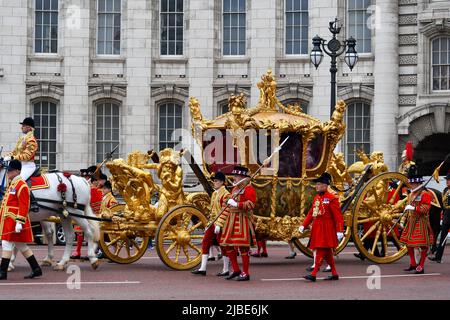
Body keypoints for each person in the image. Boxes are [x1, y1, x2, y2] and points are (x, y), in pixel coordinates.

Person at [0, 160, 42, 280]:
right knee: (21, 246)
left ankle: (2, 272)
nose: (8, 172)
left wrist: (19, 222)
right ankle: (36, 269)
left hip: (14, 221)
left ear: (18, 171)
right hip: (8, 220)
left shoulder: (21, 185)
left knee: (6, 243)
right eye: (8, 170)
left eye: (11, 170)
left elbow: (24, 205)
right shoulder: (13, 184)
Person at [299, 172, 344, 282]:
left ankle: (314, 274)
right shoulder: (316, 198)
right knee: (327, 252)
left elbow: (338, 216)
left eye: (318, 184)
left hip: (327, 228)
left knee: (320, 249)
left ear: (325, 185)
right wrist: (303, 225)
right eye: (317, 184)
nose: (316, 186)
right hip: (317, 227)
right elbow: (311, 213)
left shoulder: (332, 198)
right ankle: (334, 273)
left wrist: (339, 230)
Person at [215, 166, 257, 281]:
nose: (234, 178)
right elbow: (228, 206)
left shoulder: (248, 189)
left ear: (242, 177)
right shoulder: (235, 189)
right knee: (227, 245)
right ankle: (236, 269)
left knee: (243, 248)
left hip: (242, 220)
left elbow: (251, 205)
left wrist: (237, 204)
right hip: (231, 220)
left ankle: (246, 272)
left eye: (236, 176)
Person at [192, 171, 230, 276]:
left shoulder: (226, 194)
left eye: (216, 181)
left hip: (221, 224)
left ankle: (226, 269)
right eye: (214, 181)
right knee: (205, 242)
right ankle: (202, 268)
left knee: (223, 245)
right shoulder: (214, 193)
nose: (214, 182)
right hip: (213, 222)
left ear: (222, 182)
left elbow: (225, 210)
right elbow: (212, 211)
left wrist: (219, 224)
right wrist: (209, 223)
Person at [399, 165, 434, 274]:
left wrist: (414, 208)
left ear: (418, 183)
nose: (411, 185)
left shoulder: (425, 194)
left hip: (421, 221)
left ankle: (421, 266)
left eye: (412, 184)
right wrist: (404, 217)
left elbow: (426, 208)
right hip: (411, 221)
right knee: (408, 244)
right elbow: (407, 208)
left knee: (422, 245)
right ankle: (413, 263)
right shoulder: (412, 194)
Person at [4, 117, 39, 211]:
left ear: (28, 127)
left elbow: (27, 155)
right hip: (21, 165)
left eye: (23, 126)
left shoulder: (31, 140)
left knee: (19, 181)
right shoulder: (22, 139)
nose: (21, 128)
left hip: (28, 165)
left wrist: (13, 158)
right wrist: (4, 157)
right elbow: (15, 152)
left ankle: (33, 203)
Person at [429, 170, 450, 263]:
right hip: (446, 217)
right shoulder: (445, 190)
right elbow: (443, 204)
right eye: (447, 180)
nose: (447, 181)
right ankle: (438, 257)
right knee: (442, 238)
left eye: (449, 180)